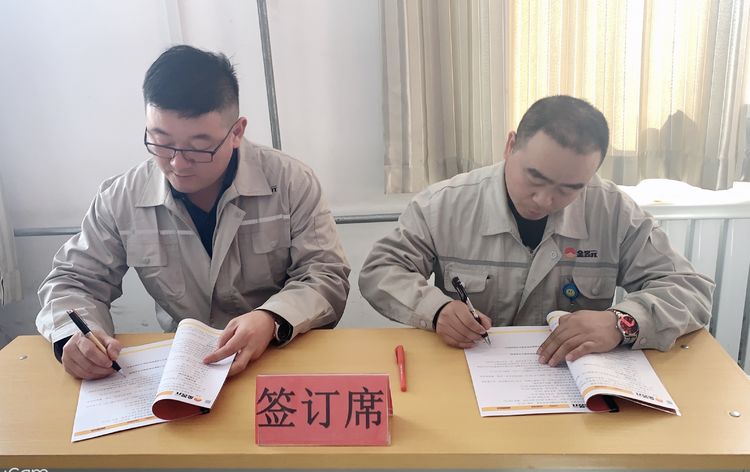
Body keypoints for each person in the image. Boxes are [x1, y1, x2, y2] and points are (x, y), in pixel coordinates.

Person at [37, 45, 350, 379]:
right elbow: (74, 281)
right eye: (160, 141)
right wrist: (76, 336)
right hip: (184, 368)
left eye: (199, 148)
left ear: (236, 132)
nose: (177, 163)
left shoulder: (289, 182)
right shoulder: (122, 197)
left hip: (278, 355)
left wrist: (271, 318)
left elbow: (325, 274)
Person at [359, 95, 714, 366]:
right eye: (535, 177)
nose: (545, 199)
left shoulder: (613, 211)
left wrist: (622, 323)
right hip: (467, 375)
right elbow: (381, 270)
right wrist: (436, 310)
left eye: (570, 188)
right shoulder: (444, 205)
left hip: (571, 382)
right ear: (510, 145)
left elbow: (690, 289)